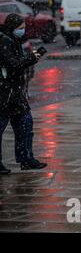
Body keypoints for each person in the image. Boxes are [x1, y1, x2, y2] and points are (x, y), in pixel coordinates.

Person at [0, 13, 47, 175]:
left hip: (15, 94)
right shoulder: (3, 42)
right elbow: (14, 66)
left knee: (25, 126)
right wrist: (33, 58)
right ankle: (23, 159)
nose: (23, 31)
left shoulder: (14, 41)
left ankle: (26, 159)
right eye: (20, 28)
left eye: (24, 28)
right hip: (4, 95)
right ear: (11, 28)